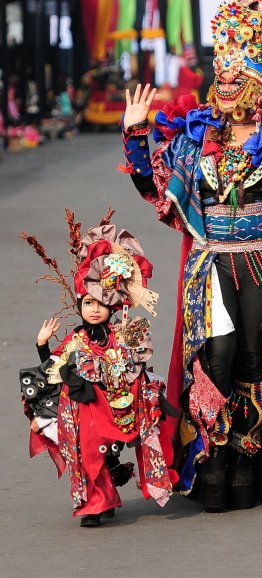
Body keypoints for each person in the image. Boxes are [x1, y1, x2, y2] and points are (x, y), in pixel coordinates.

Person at [120, 0, 262, 511]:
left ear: (261, 81)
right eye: (223, 66)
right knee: (214, 360)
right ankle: (212, 463)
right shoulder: (196, 139)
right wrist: (135, 132)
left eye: (241, 69)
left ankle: (248, 464)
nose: (230, 81)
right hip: (213, 263)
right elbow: (154, 187)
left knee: (255, 361)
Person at [19, 215, 171, 526]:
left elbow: (137, 360)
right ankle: (95, 503)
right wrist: (43, 347)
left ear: (113, 305)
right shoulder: (76, 340)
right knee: (88, 450)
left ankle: (111, 478)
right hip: (85, 407)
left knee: (109, 450)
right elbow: (54, 370)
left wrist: (127, 349)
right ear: (80, 305)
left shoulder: (122, 331)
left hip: (118, 403)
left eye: (101, 303)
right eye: (88, 303)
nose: (95, 308)